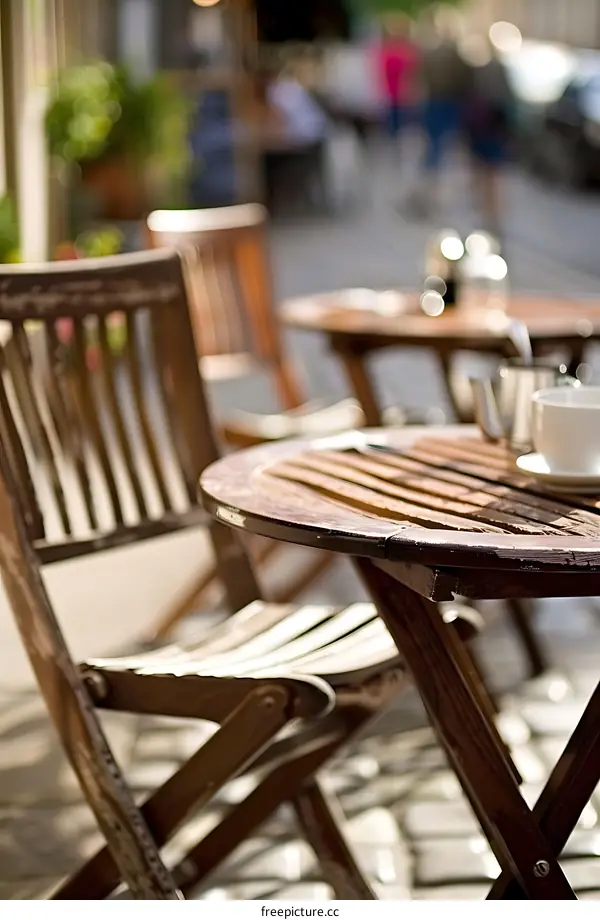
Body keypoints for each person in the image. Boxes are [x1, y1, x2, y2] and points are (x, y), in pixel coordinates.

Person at [405, 17, 470, 218]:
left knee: (434, 143)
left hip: (434, 102)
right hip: (449, 102)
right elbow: (464, 79)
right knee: (448, 142)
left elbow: (420, 79)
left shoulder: (430, 54)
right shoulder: (454, 54)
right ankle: (440, 179)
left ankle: (432, 173)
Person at [463, 40, 513, 241]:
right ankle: (493, 214)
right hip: (494, 129)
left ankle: (485, 211)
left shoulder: (478, 73)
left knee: (483, 173)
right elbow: (510, 102)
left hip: (481, 130)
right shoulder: (500, 71)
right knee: (494, 174)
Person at [374, 15, 419, 141]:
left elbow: (413, 72)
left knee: (402, 124)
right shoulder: (391, 50)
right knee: (394, 124)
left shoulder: (405, 50)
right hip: (392, 93)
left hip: (402, 93)